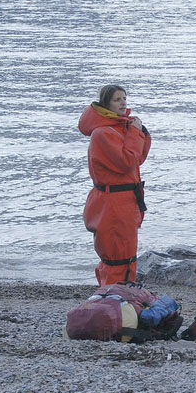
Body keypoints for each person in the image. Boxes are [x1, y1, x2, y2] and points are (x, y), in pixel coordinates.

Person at [78, 85, 151, 286]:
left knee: (125, 256)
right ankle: (114, 301)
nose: (123, 102)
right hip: (114, 205)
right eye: (117, 99)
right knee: (117, 259)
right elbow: (127, 162)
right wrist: (135, 133)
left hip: (124, 201)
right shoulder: (103, 133)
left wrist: (139, 132)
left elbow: (137, 159)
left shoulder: (118, 128)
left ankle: (118, 300)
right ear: (106, 104)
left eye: (124, 98)